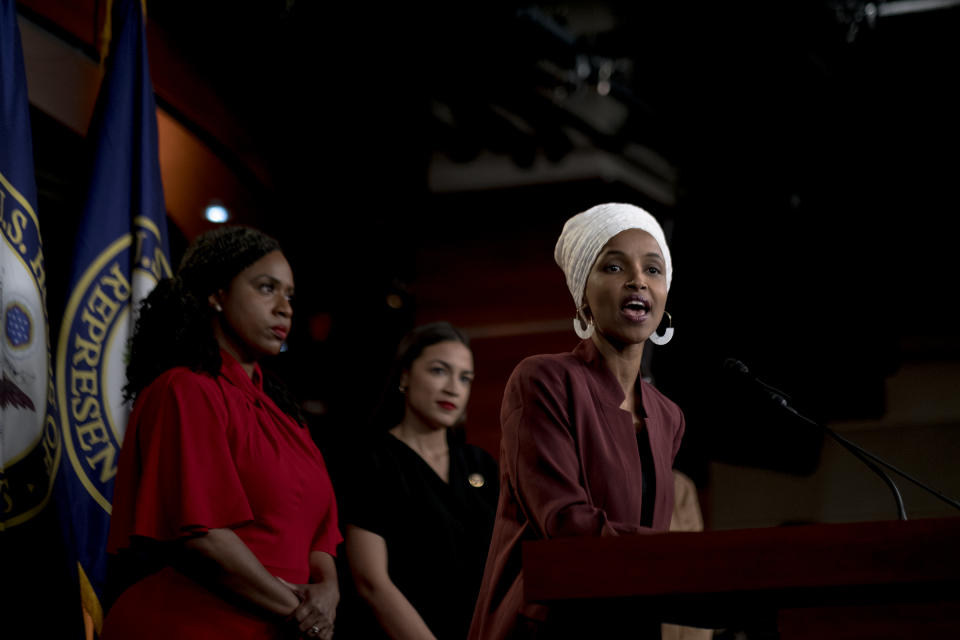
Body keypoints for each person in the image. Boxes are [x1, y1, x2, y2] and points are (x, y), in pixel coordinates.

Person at [102, 226, 341, 640]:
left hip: (280, 626)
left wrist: (328, 592)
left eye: (290, 295)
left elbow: (320, 537)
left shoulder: (285, 413)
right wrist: (301, 615)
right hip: (191, 624)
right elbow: (203, 538)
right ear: (217, 294)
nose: (284, 307)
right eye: (267, 288)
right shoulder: (184, 389)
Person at [468, 203, 686, 640]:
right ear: (582, 291)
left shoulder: (668, 415)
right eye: (613, 266)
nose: (638, 280)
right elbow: (564, 523)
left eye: (653, 269)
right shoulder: (542, 380)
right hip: (549, 624)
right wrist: (679, 555)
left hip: (631, 625)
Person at [340, 322, 499, 640]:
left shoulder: (479, 463)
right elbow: (371, 582)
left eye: (464, 378)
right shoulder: (371, 460)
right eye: (439, 371)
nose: (454, 388)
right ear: (405, 376)